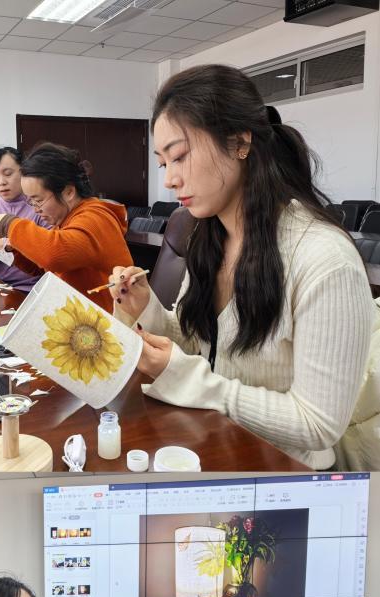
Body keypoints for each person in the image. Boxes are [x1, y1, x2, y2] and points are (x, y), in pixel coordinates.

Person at [109, 64, 377, 470]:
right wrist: (148, 311)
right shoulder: (207, 238)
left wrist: (191, 381)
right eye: (163, 164)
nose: (170, 180)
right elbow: (202, 345)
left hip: (281, 468)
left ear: (239, 142)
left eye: (180, 156)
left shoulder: (324, 260)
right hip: (213, 442)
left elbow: (318, 425)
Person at [0, 142, 132, 311]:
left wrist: (7, 224)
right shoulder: (65, 221)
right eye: (31, 201)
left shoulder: (96, 216)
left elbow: (55, 255)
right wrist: (13, 249)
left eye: (38, 200)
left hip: (112, 321)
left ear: (68, 192)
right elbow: (43, 268)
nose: (35, 209)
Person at [0, 147, 48, 290]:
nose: (1, 182)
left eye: (8, 174)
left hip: (29, 289)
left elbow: (48, 258)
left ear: (24, 172)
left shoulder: (38, 205)